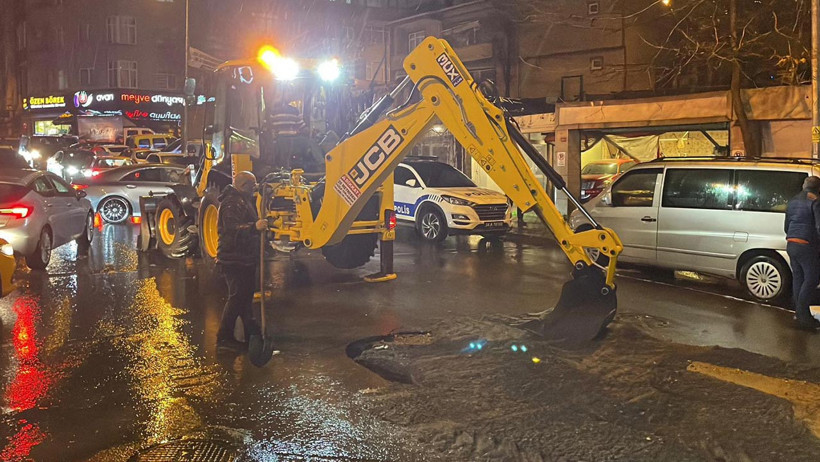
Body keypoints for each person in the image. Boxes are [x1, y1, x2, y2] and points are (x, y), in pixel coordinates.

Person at [216, 171, 268, 350]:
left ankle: (251, 333)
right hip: (233, 259)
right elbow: (231, 229)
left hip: (244, 258)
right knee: (237, 298)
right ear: (243, 185)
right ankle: (224, 338)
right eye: (252, 185)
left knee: (245, 297)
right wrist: (254, 227)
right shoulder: (232, 203)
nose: (254, 188)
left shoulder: (242, 200)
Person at [784, 175, 820, 330]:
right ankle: (803, 315)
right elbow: (819, 227)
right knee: (812, 279)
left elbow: (786, 226)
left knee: (798, 278)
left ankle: (800, 313)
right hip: (806, 245)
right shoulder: (815, 201)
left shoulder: (792, 201)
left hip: (791, 243)